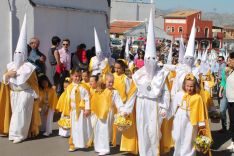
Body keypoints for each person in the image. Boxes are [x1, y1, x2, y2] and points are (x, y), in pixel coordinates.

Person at [1, 15, 40, 143]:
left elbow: (34, 83)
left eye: (20, 54)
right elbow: (4, 80)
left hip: (25, 93)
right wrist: (7, 76)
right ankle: (13, 134)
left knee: (21, 114)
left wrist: (35, 96)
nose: (18, 56)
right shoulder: (10, 65)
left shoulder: (29, 68)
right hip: (13, 93)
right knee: (15, 115)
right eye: (16, 53)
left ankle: (20, 135)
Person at [172, 73, 211, 156]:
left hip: (192, 121)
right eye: (187, 86)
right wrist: (169, 114)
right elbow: (173, 106)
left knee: (189, 138)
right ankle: (178, 153)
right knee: (178, 137)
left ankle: (189, 154)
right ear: (184, 85)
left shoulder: (197, 97)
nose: (189, 88)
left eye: (191, 86)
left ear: (195, 86)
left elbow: (200, 111)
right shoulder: (179, 94)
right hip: (180, 117)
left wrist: (201, 124)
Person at [91, 73, 125, 156]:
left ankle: (105, 149)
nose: (111, 84)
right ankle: (98, 146)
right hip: (99, 114)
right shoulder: (101, 90)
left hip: (108, 113)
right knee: (98, 130)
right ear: (104, 81)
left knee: (105, 131)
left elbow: (119, 102)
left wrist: (122, 110)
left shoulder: (114, 92)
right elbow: (96, 101)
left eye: (112, 82)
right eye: (109, 82)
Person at [57, 69, 91, 152]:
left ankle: (83, 143)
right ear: (72, 76)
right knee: (74, 128)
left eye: (79, 76)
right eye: (76, 76)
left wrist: (87, 109)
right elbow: (67, 99)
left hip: (82, 111)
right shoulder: (69, 87)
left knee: (82, 127)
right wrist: (66, 111)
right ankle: (73, 144)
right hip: (73, 111)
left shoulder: (84, 87)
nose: (77, 78)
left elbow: (87, 99)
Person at [226, 52, 234, 151]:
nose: (229, 62)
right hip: (231, 101)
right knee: (232, 122)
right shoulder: (231, 71)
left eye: (230, 59)